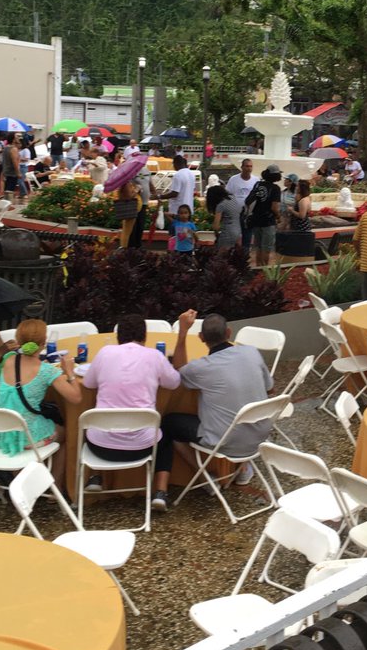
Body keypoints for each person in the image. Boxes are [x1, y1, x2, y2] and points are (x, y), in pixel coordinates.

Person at [81, 314, 184, 510]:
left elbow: (88, 383)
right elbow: (174, 383)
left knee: (92, 423)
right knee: (165, 435)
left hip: (100, 448)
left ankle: (95, 476)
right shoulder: (154, 356)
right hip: (143, 447)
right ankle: (160, 492)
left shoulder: (104, 353)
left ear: (118, 336)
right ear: (145, 336)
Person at [168, 309, 274, 489]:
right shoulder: (251, 352)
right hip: (260, 437)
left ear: (201, 337)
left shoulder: (202, 368)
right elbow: (270, 389)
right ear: (229, 333)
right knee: (237, 407)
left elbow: (178, 371)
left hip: (225, 443)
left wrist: (183, 332)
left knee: (169, 423)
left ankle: (205, 479)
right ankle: (242, 468)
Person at [0, 319, 81, 490]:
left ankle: (22, 481)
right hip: (29, 438)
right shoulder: (46, 371)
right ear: (43, 343)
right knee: (65, 434)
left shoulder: (8, 360)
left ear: (18, 340)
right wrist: (69, 372)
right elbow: (76, 398)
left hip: (4, 434)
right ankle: (55, 488)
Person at [245, 165, 282, 265]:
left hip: (256, 219)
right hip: (268, 221)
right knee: (266, 248)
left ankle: (258, 268)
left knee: (258, 247)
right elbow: (274, 207)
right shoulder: (275, 188)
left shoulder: (258, 184)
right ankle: (264, 270)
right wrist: (278, 217)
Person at [225, 158, 258, 249]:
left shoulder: (256, 180)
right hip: (236, 213)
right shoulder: (233, 179)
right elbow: (228, 194)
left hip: (249, 215)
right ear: (242, 167)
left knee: (247, 235)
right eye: (247, 166)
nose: (249, 168)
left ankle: (245, 253)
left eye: (250, 166)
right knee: (234, 235)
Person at [208, 184, 243, 250]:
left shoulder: (221, 205)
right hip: (238, 231)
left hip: (227, 233)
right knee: (235, 253)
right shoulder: (233, 199)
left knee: (222, 254)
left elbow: (216, 226)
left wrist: (216, 234)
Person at [166, 153, 197, 222]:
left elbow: (174, 193)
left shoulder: (178, 175)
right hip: (188, 210)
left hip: (178, 210)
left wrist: (160, 196)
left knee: (177, 228)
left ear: (176, 163)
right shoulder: (192, 174)